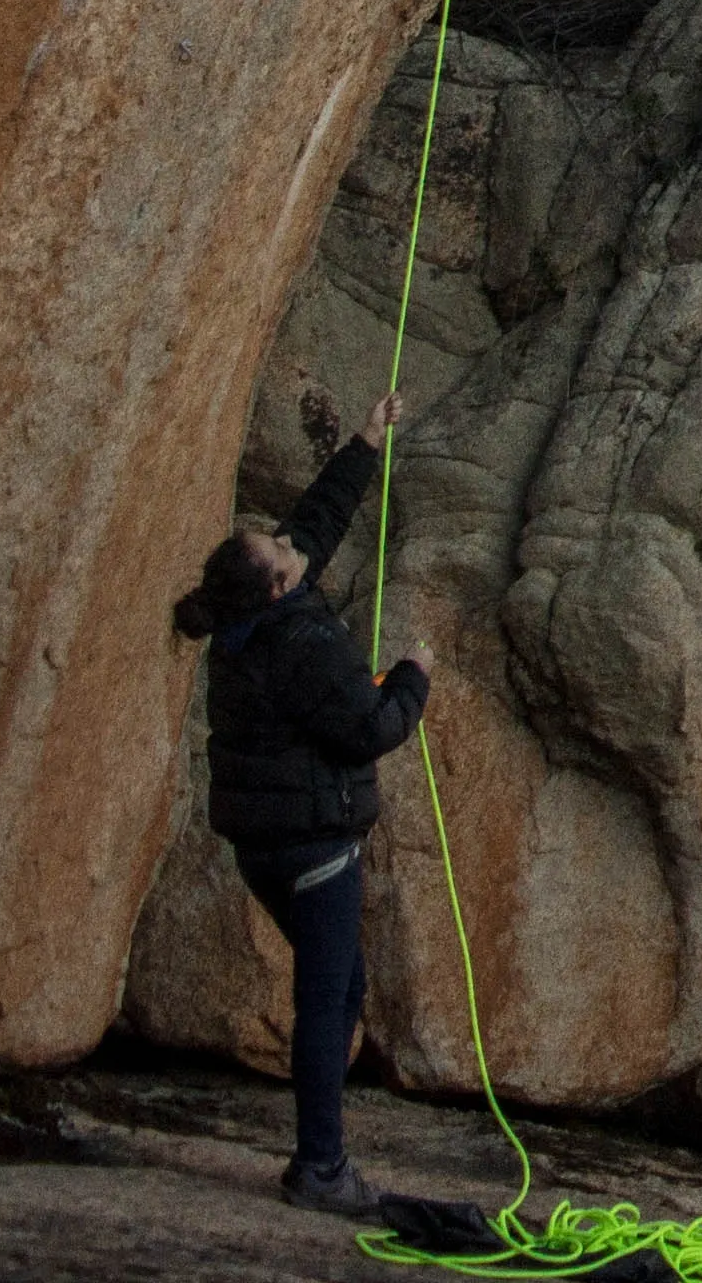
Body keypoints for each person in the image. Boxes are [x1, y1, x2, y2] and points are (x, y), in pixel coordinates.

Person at [172, 387, 430, 1216]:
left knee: (341, 987)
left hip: (265, 849)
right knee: (327, 1000)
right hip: (316, 854)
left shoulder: (243, 625)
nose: (288, 542)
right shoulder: (307, 644)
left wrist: (364, 440)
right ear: (280, 587)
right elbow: (370, 729)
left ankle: (320, 1159)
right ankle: (320, 1169)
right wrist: (418, 676)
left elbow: (312, 528)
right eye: (278, 549)